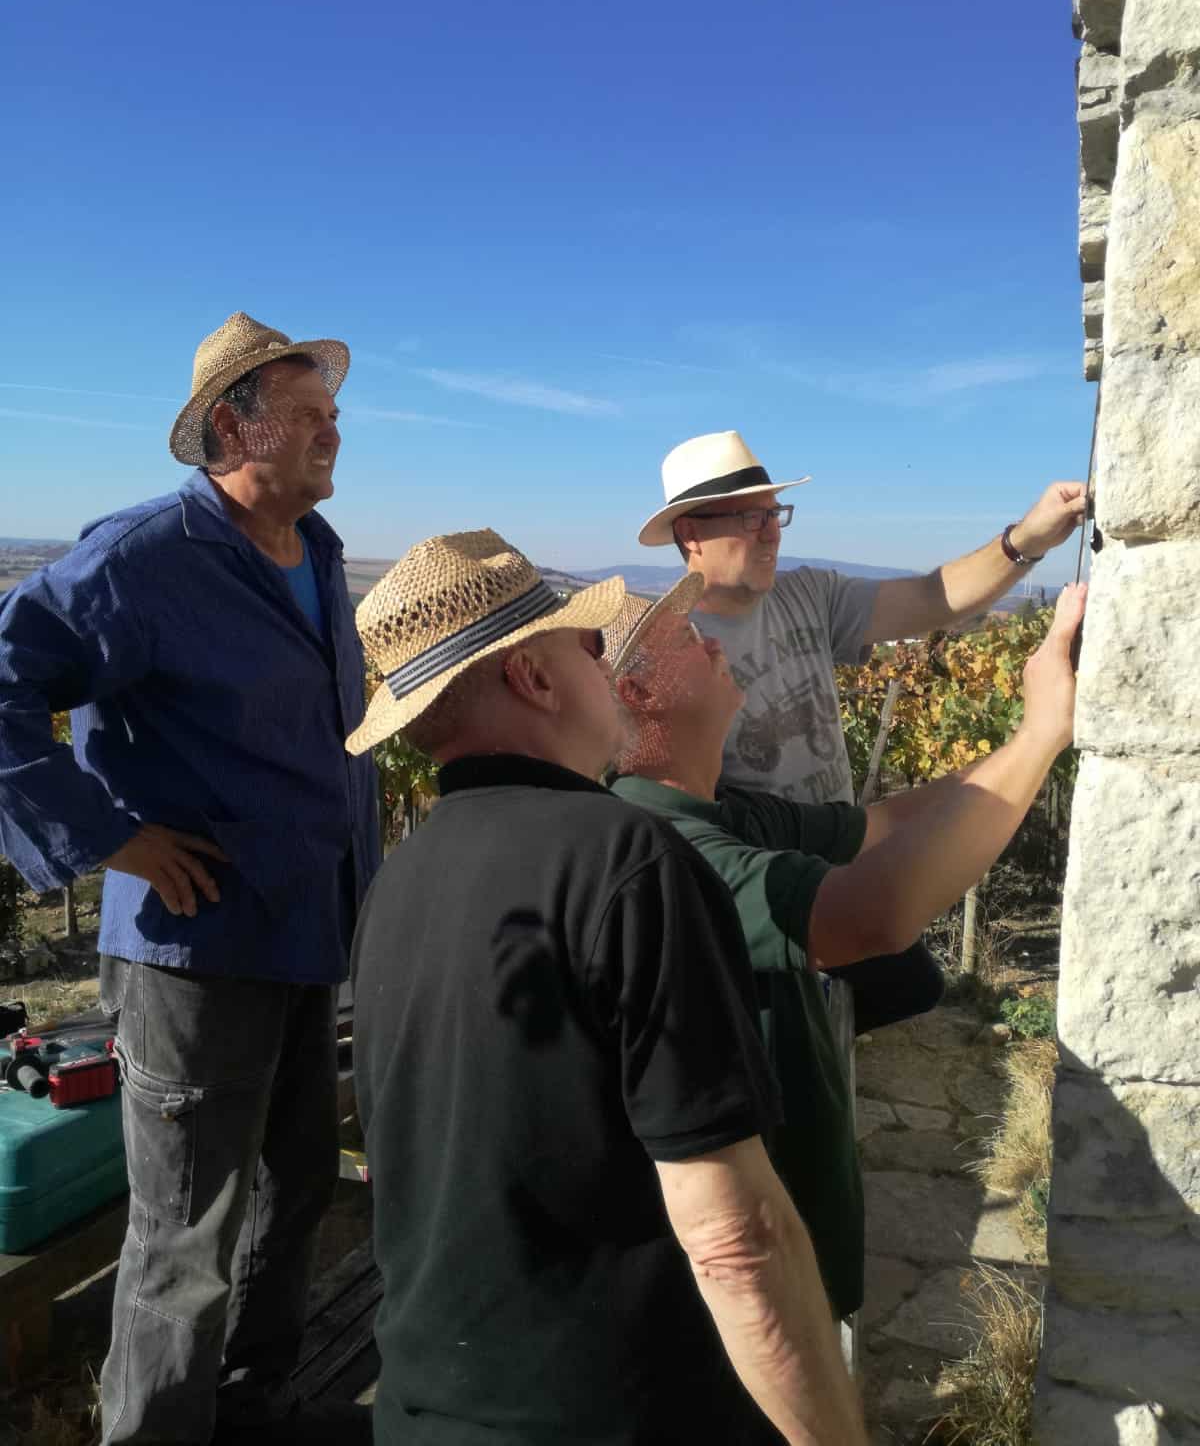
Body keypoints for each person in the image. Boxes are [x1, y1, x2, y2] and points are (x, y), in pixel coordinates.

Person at [348, 529, 869, 1446]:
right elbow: (736, 1239)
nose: (606, 663)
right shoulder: (627, 863)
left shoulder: (400, 879)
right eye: (587, 646)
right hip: (617, 1414)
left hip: (424, 1411)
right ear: (534, 680)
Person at [0, 312, 381, 1444]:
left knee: (292, 1184)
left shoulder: (315, 550)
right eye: (308, 416)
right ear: (232, 425)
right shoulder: (144, 557)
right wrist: (110, 839)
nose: (333, 434)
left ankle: (249, 1408)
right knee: (184, 1236)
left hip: (307, 928)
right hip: (196, 949)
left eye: (334, 416)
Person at [606, 575, 1086, 1320]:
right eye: (686, 639)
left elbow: (884, 827)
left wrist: (1031, 739)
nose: (712, 644)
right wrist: (1040, 737)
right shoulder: (662, 845)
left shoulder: (722, 810)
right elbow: (876, 917)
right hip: (748, 1275)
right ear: (638, 695)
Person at [638, 429, 1087, 1034]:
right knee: (783, 1026)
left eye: (775, 514)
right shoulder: (669, 650)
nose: (772, 533)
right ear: (691, 533)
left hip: (841, 842)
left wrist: (1025, 541)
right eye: (750, 517)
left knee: (909, 988)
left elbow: (932, 598)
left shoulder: (808, 594)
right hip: (755, 881)